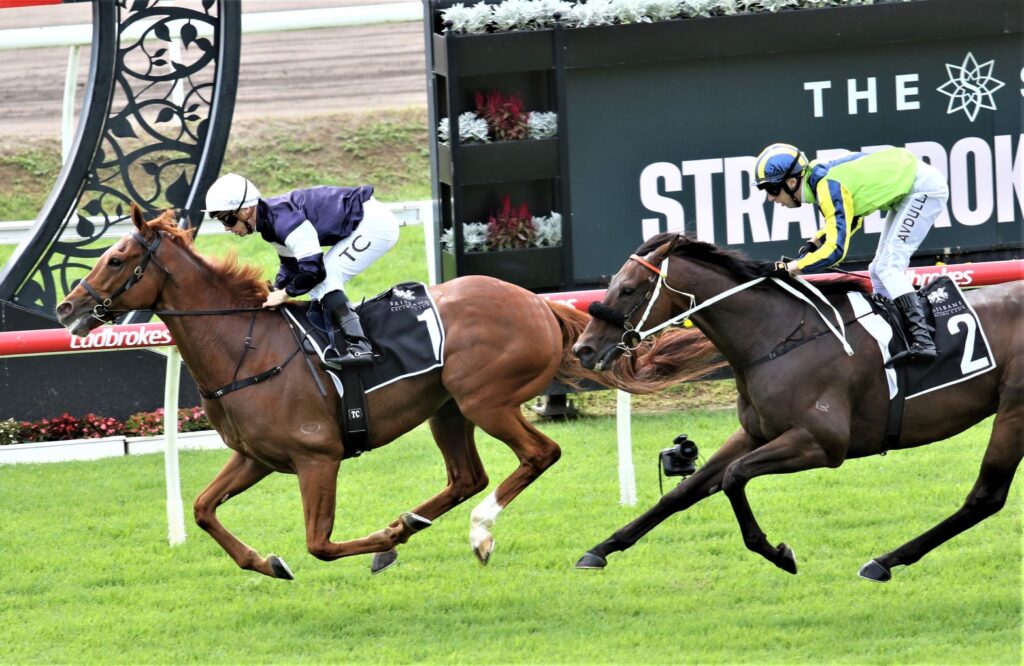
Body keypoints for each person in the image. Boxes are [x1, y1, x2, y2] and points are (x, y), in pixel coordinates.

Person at [753, 143, 949, 362]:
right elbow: (850, 219)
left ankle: (923, 341)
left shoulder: (827, 186)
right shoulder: (820, 180)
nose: (770, 198)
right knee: (877, 270)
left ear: (791, 182)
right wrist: (816, 242)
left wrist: (792, 267)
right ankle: (896, 335)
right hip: (910, 188)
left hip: (923, 189)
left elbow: (835, 251)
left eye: (771, 189)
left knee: (888, 267)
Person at [204, 173, 400, 368]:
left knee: (326, 277)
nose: (226, 228)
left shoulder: (283, 221)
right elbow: (291, 266)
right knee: (316, 285)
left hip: (375, 224)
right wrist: (275, 291)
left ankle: (360, 347)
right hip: (364, 219)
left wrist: (285, 294)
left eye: (227, 219)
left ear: (246, 210)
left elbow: (314, 270)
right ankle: (334, 336)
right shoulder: (268, 223)